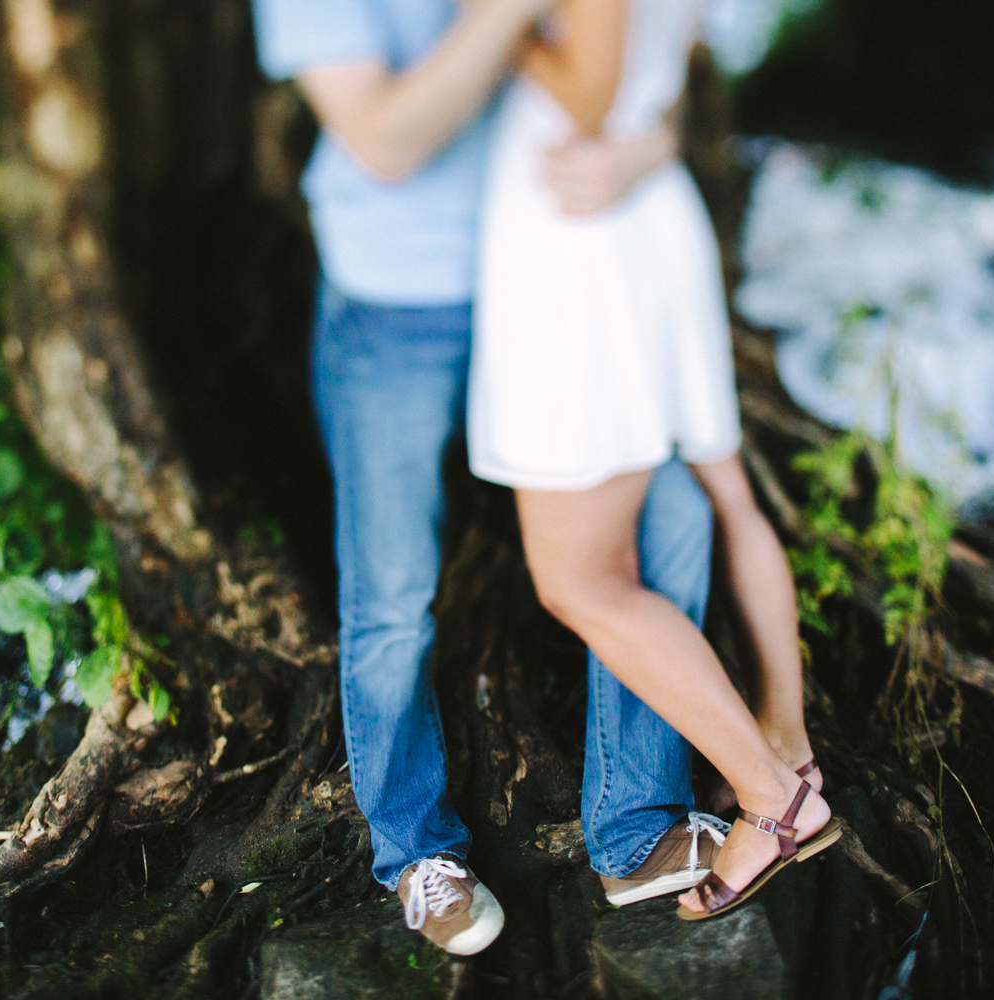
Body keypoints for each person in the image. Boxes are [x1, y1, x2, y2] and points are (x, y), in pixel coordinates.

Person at [250, 0, 731, 954]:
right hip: (401, 305)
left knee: (674, 517)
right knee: (392, 591)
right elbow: (384, 142)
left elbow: (649, 84)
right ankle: (415, 852)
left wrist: (636, 154)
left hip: (561, 279)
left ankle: (637, 823)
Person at [466, 0, 840, 920]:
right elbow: (667, 64)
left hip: (587, 256)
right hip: (634, 218)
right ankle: (789, 745)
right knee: (728, 492)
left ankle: (774, 797)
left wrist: (493, 23)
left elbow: (588, 96)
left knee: (580, 578)